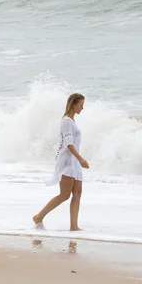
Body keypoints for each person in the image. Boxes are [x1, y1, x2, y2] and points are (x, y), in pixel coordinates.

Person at [33, 93, 89, 231]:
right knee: (64, 195)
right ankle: (38, 216)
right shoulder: (66, 122)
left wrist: (78, 161)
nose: (82, 108)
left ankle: (74, 226)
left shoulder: (72, 121)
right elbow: (69, 144)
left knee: (77, 193)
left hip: (74, 163)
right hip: (68, 162)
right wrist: (80, 159)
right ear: (73, 104)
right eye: (81, 105)